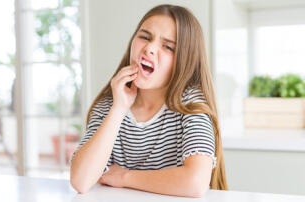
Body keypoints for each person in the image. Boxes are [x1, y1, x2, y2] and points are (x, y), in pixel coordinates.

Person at [70, 4, 228, 197]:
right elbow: (80, 180)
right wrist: (119, 108)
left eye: (168, 47)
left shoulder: (191, 106)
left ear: (184, 61)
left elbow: (195, 182)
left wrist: (125, 177)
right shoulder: (110, 104)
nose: (150, 48)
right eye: (145, 37)